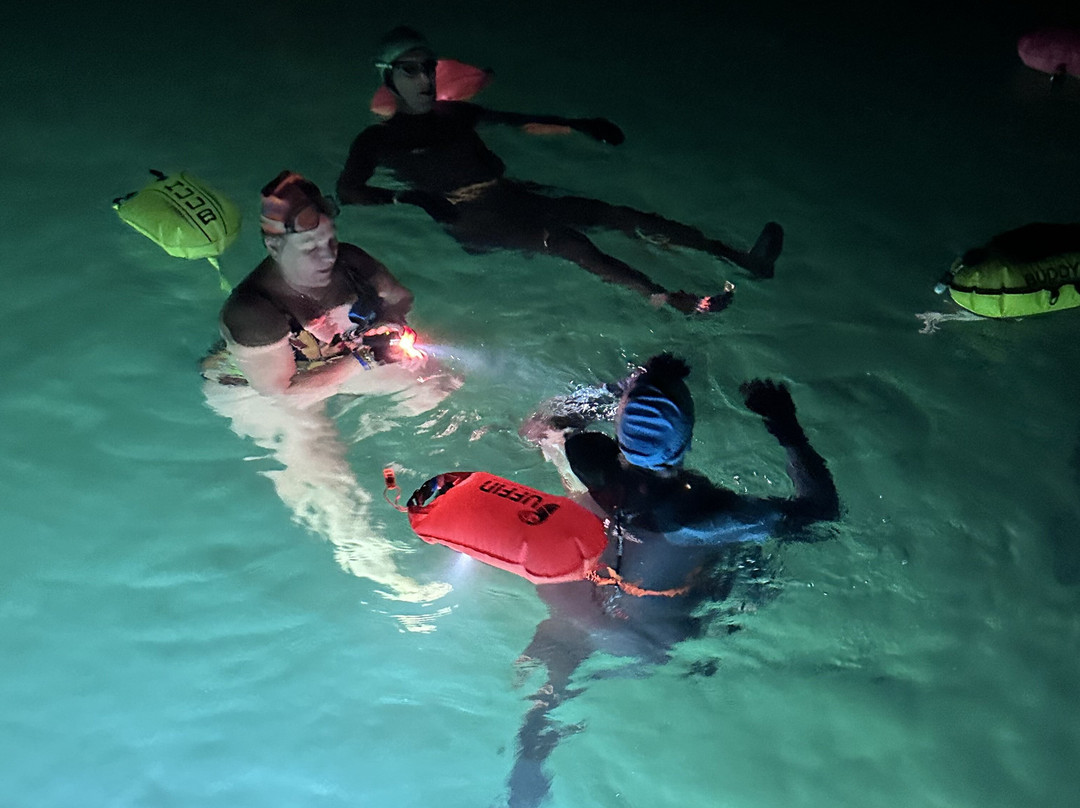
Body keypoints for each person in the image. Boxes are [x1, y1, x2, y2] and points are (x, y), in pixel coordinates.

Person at [504, 353, 840, 807]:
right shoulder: (704, 518)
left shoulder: (592, 464)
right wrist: (785, 426)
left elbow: (539, 425)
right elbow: (821, 512)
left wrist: (626, 387)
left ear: (619, 434)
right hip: (654, 636)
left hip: (579, 607)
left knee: (548, 702)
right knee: (752, 576)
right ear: (684, 439)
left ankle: (524, 780)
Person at [337, 26, 784, 316]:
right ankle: (671, 300)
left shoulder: (455, 116)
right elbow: (350, 191)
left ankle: (742, 261)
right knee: (568, 242)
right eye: (410, 70)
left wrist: (577, 125)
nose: (424, 78)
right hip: (471, 219)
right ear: (388, 77)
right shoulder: (379, 140)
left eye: (428, 68)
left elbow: (518, 121)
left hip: (509, 194)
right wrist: (408, 197)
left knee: (620, 215)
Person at [202, 171, 459, 606]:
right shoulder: (253, 312)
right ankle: (380, 567)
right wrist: (361, 359)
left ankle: (378, 433)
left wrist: (389, 327)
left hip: (340, 359)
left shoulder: (350, 263)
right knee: (325, 474)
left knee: (438, 382)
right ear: (274, 245)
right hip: (255, 386)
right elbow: (282, 392)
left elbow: (400, 298)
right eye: (310, 247)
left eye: (330, 241)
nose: (326, 255)